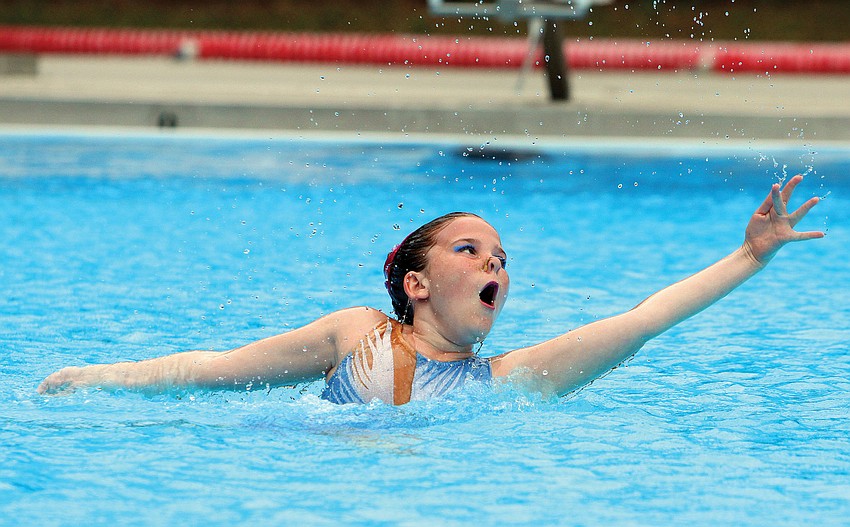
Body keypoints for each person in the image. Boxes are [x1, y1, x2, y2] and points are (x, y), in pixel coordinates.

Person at [38, 176, 823, 404]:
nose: (496, 266)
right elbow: (214, 370)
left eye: (502, 257)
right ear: (416, 282)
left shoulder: (514, 378)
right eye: (471, 249)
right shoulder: (356, 335)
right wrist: (100, 377)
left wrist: (748, 259)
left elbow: (646, 318)